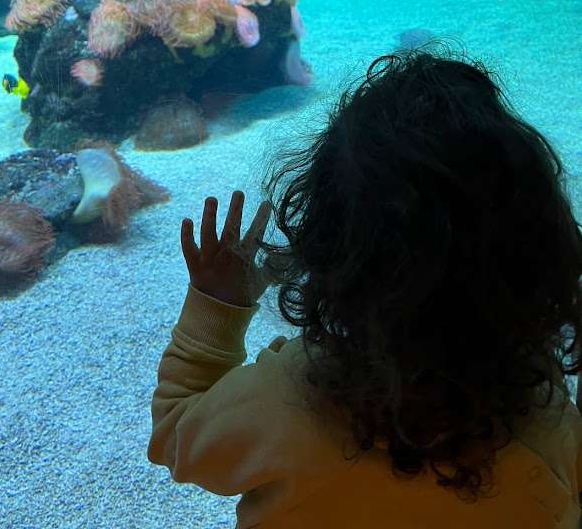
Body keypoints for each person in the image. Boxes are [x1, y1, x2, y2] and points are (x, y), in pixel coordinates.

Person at [148, 51, 582, 528]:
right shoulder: (546, 417)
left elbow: (176, 434)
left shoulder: (280, 400)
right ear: (541, 252)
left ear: (327, 248)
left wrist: (219, 308)